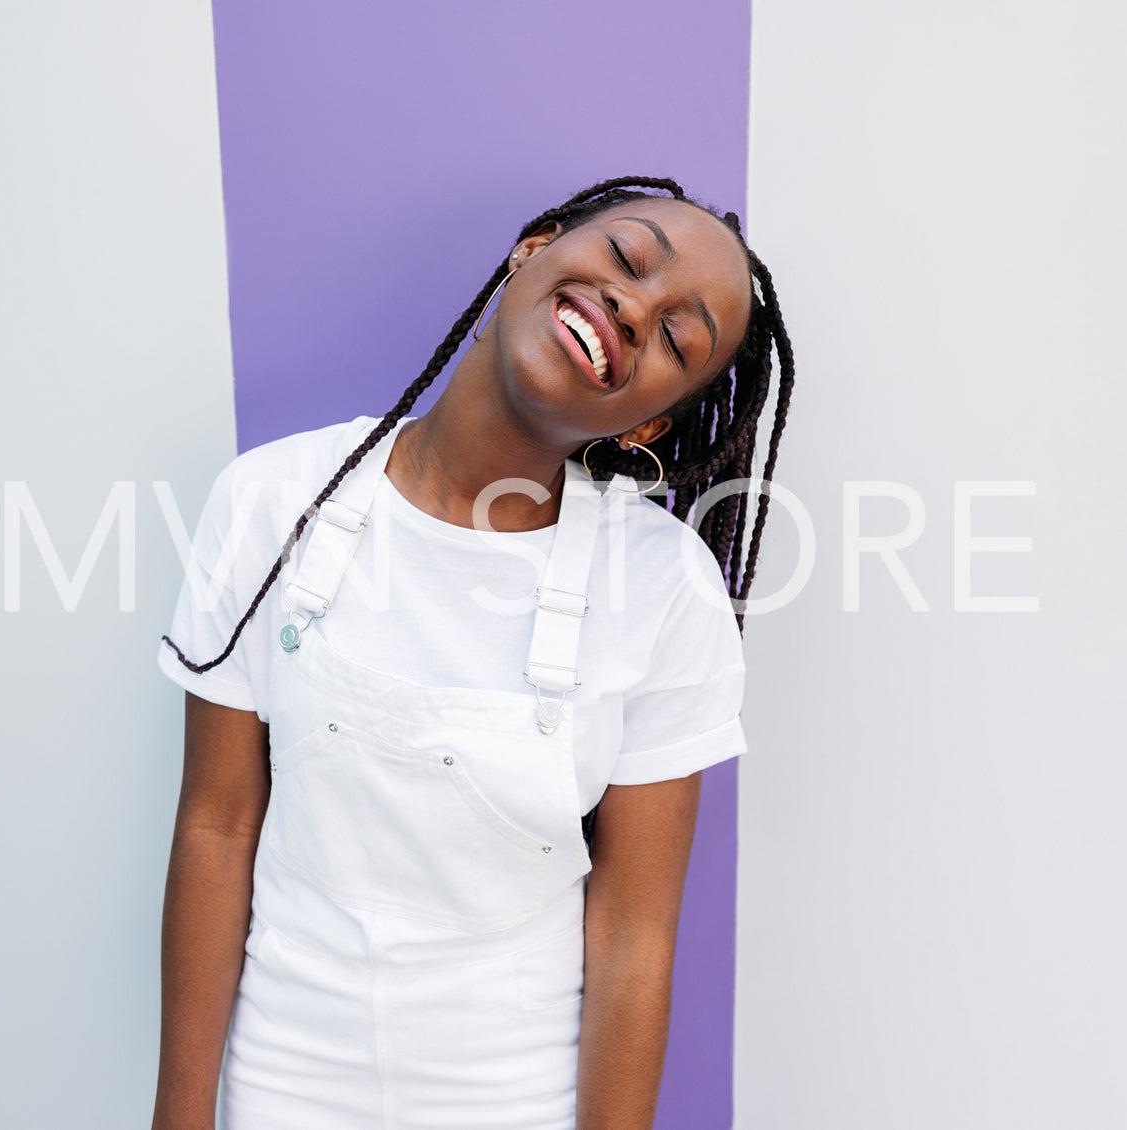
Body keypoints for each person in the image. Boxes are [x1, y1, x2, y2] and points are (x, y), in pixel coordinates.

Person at [150, 175, 794, 1130]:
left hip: (515, 1102)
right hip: (278, 1087)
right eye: (625, 258)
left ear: (647, 424)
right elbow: (217, 825)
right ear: (531, 252)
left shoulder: (663, 588)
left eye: (674, 337)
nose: (631, 305)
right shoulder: (271, 502)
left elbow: (630, 937)